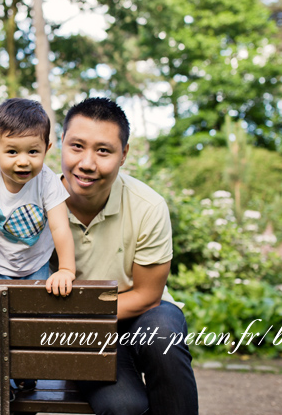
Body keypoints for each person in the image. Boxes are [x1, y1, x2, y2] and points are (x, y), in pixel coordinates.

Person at [57, 98, 199, 415]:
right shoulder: (34, 206)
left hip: (138, 315)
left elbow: (148, 296)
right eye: (76, 146)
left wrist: (83, 314)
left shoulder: (148, 206)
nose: (87, 163)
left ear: (124, 155)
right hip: (79, 333)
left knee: (163, 329)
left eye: (103, 151)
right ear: (60, 144)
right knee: (124, 406)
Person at [0, 98, 76, 301]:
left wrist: (66, 269)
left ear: (46, 149)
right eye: (12, 152)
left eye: (33, 151)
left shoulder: (48, 181)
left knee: (35, 312)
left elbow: (60, 228)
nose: (23, 161)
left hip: (36, 264)